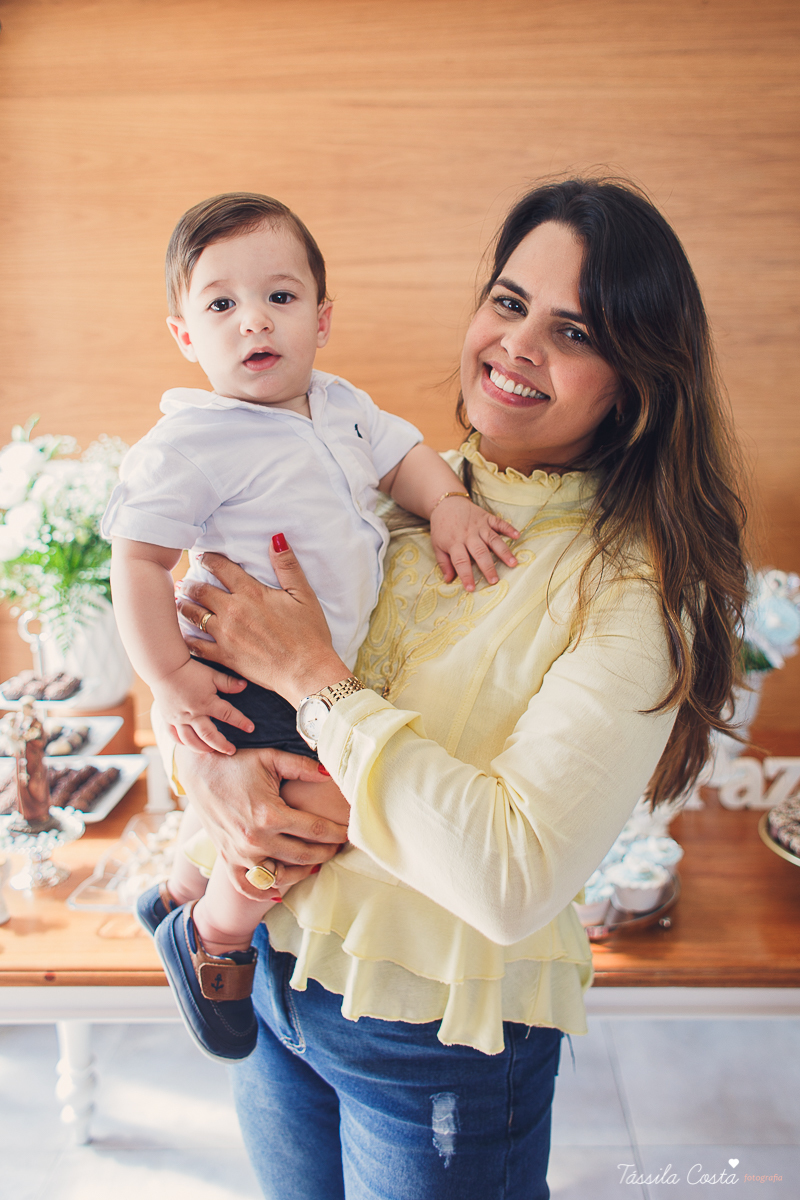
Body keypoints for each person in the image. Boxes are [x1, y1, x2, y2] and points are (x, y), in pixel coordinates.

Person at [164, 178, 748, 1200]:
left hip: (436, 1039)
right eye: (510, 301)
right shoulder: (381, 486)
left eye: (572, 330)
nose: (518, 344)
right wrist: (206, 777)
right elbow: (202, 646)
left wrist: (313, 681)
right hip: (273, 985)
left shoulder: (635, 590)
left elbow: (509, 877)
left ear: (636, 380)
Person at [102, 192, 519, 1062]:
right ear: (185, 335)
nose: (254, 320)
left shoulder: (344, 406)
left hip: (319, 666)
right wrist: (169, 680)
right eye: (221, 304)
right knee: (307, 815)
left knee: (292, 798)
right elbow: (137, 562)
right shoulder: (193, 441)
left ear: (322, 318)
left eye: (280, 298)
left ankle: (176, 891)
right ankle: (212, 932)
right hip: (244, 669)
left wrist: (445, 506)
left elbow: (408, 458)